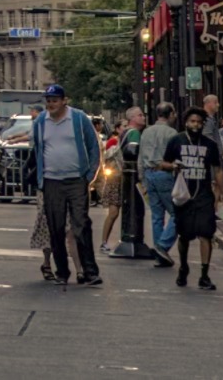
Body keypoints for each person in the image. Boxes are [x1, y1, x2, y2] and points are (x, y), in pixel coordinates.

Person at [30, 83, 102, 285]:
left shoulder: (78, 119)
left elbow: (93, 147)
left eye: (55, 100)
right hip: (52, 181)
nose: (51, 104)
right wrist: (41, 179)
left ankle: (90, 271)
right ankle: (62, 271)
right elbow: (37, 149)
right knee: (56, 227)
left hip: (76, 180)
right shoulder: (41, 122)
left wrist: (89, 175)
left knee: (81, 225)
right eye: (48, 101)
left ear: (64, 101)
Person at [162, 105, 223, 290]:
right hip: (184, 196)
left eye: (198, 122)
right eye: (192, 121)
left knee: (206, 234)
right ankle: (184, 266)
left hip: (204, 195)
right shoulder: (176, 141)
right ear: (186, 122)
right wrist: (173, 166)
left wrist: (222, 194)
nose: (195, 125)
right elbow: (162, 163)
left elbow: (218, 169)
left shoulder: (209, 145)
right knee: (185, 235)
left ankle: (204, 275)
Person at [138, 102, 179, 267]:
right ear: (170, 114)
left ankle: (159, 249)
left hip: (149, 173)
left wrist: (142, 180)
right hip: (164, 173)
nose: (175, 116)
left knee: (157, 215)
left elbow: (140, 157)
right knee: (177, 213)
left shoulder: (146, 132)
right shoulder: (172, 133)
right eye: (174, 113)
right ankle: (163, 245)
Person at [101, 106, 144, 247]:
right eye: (140, 115)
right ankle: (107, 241)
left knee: (118, 211)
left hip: (118, 176)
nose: (143, 117)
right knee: (116, 211)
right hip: (120, 178)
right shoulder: (133, 134)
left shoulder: (125, 134)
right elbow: (133, 154)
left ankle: (107, 241)